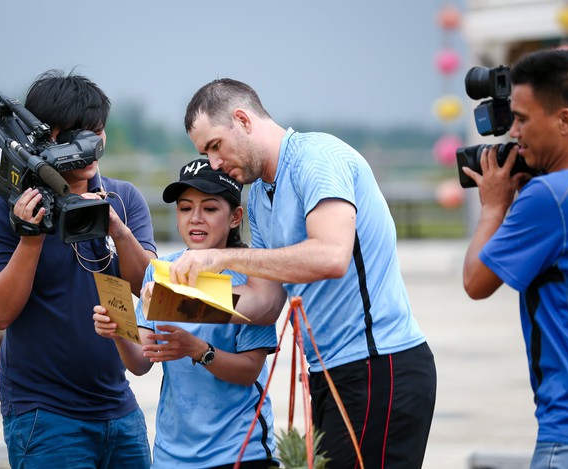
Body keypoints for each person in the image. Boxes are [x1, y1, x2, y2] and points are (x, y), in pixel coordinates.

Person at [169, 79, 437, 469]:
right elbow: (267, 303)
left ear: (243, 120)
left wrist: (220, 259)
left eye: (214, 146)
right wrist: (188, 301)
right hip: (329, 372)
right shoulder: (260, 196)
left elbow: (331, 256)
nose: (213, 163)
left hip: (381, 364)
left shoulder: (317, 157)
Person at [0, 70, 157, 468]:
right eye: (73, 135)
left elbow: (152, 289)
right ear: (42, 136)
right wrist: (31, 236)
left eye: (95, 133)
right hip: (44, 415)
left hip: (119, 410)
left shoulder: (123, 199)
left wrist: (117, 230)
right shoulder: (2, 211)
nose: (87, 147)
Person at [93, 159, 280, 469]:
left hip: (241, 452)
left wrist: (197, 350)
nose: (195, 219)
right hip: (171, 456)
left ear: (235, 217)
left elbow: (249, 371)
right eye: (184, 208)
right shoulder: (159, 271)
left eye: (209, 209)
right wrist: (118, 331)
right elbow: (140, 362)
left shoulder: (252, 280)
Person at [462, 48, 568, 468]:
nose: (514, 132)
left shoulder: (549, 197)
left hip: (567, 434)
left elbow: (477, 282)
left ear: (565, 121)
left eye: (524, 119)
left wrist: (494, 207)